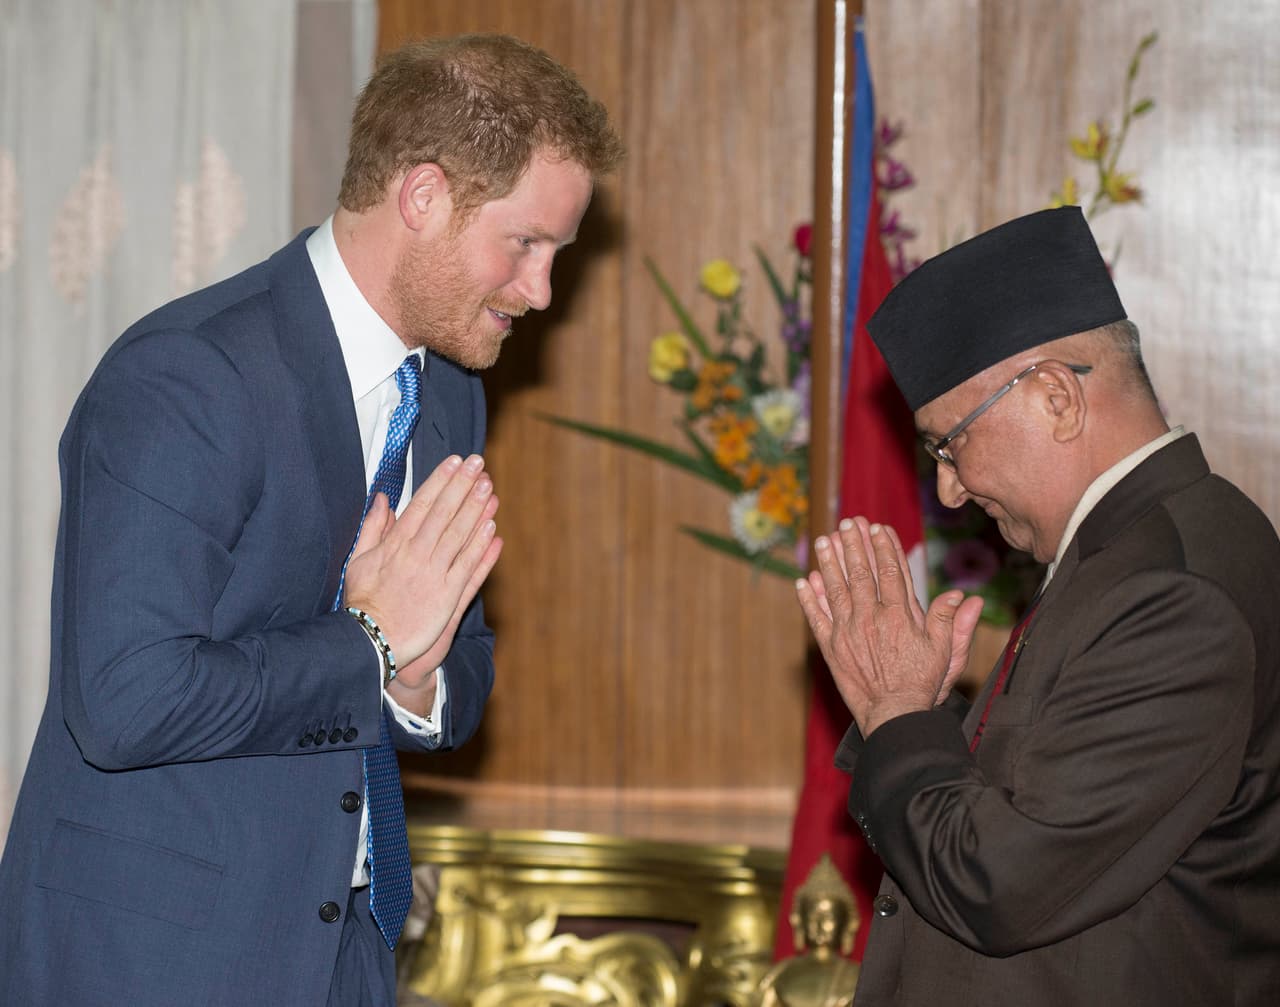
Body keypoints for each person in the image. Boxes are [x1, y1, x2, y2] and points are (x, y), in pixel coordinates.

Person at [0, 33, 622, 1007]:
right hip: (149, 959)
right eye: (524, 244)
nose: (540, 291)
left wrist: (415, 678)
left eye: (556, 255)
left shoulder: (448, 390)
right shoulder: (186, 376)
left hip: (345, 954)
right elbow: (123, 700)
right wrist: (369, 644)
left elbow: (457, 661)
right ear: (423, 196)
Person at [794, 206, 1280, 1004]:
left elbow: (1003, 884)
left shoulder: (1169, 591)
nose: (950, 487)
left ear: (1055, 397)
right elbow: (1044, 802)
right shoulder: (1130, 552)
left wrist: (898, 715)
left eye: (951, 442)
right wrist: (918, 711)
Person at [756, 853, 860, 1006]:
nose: (820, 925)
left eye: (829, 918)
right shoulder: (779, 975)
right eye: (812, 918)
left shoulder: (856, 977)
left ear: (846, 923)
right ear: (800, 920)